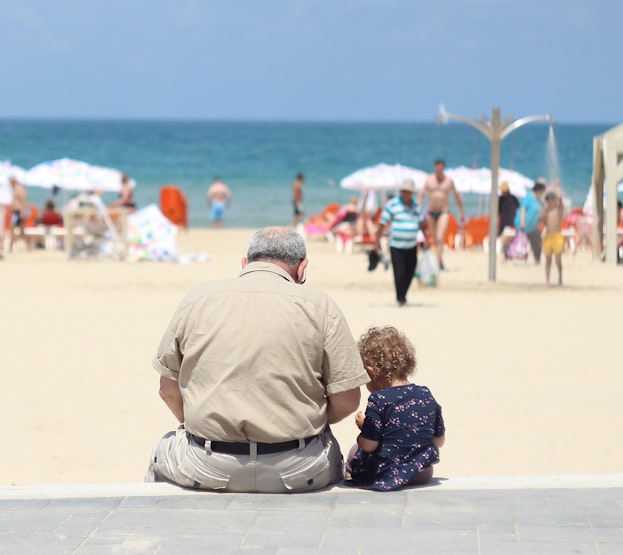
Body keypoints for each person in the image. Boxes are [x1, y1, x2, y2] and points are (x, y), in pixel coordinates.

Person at [147, 226, 368, 493]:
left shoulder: (198, 299)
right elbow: (347, 400)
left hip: (207, 465)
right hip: (298, 468)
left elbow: (167, 390)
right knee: (335, 453)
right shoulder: (321, 306)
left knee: (161, 451)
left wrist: (200, 424)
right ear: (302, 269)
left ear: (245, 264)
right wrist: (307, 420)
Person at [345, 326, 445, 491]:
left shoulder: (379, 399)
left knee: (354, 451)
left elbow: (369, 445)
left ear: (371, 372)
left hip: (388, 471)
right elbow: (438, 441)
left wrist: (364, 428)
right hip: (422, 472)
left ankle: (351, 478)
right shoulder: (425, 394)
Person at [375, 179, 423, 307]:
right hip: (396, 245)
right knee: (399, 272)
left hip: (412, 245)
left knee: (410, 272)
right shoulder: (392, 205)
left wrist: (427, 240)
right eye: (403, 191)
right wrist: (376, 241)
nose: (405, 193)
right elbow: (382, 223)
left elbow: (422, 225)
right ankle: (401, 298)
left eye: (408, 191)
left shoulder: (416, 207)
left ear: (411, 193)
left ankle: (403, 295)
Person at [417, 159, 465, 270]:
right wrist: (418, 210)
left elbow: (456, 196)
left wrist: (461, 211)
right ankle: (440, 261)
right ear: (434, 168)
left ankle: (437, 264)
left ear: (443, 168)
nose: (438, 170)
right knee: (434, 239)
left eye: (441, 168)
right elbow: (421, 195)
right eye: (437, 168)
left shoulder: (448, 181)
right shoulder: (429, 180)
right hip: (431, 212)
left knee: (439, 237)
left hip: (444, 212)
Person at [542, 180, 564, 287]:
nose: (549, 201)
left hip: (557, 235)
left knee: (558, 259)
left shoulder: (558, 209)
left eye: (551, 199)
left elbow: (560, 198)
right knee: (548, 260)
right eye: (548, 199)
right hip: (548, 236)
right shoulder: (546, 210)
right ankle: (547, 280)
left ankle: (560, 277)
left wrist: (557, 187)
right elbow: (543, 222)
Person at [520, 180, 547, 264]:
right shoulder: (529, 197)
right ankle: (535, 259)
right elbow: (523, 209)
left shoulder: (538, 200)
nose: (543, 193)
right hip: (527, 224)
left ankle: (537, 260)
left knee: (537, 243)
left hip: (534, 225)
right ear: (539, 190)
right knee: (530, 242)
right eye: (542, 191)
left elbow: (544, 208)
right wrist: (522, 222)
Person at [497, 181, 520, 260]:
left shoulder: (513, 198)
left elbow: (518, 210)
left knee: (511, 239)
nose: (502, 192)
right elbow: (498, 212)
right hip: (503, 222)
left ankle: (510, 254)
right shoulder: (501, 199)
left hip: (512, 222)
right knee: (503, 240)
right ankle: (506, 255)